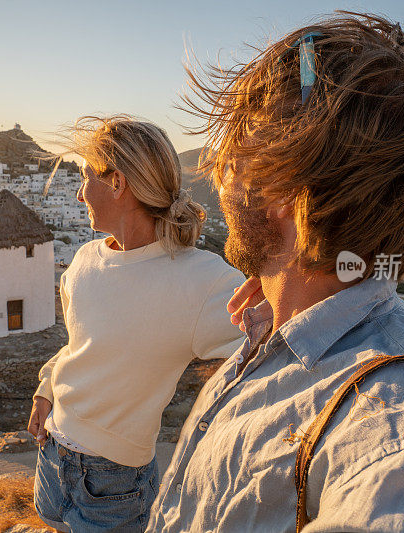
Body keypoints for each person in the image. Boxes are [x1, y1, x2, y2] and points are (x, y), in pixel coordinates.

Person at [148, 12, 404, 532]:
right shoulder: (282, 330)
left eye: (231, 159)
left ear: (281, 187)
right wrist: (277, 284)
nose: (217, 180)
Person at [28, 115, 245, 532]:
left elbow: (284, 336)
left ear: (117, 183)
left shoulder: (202, 280)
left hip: (114, 483)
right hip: (52, 453)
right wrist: (45, 390)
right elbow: (78, 347)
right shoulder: (85, 260)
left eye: (85, 176)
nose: (79, 194)